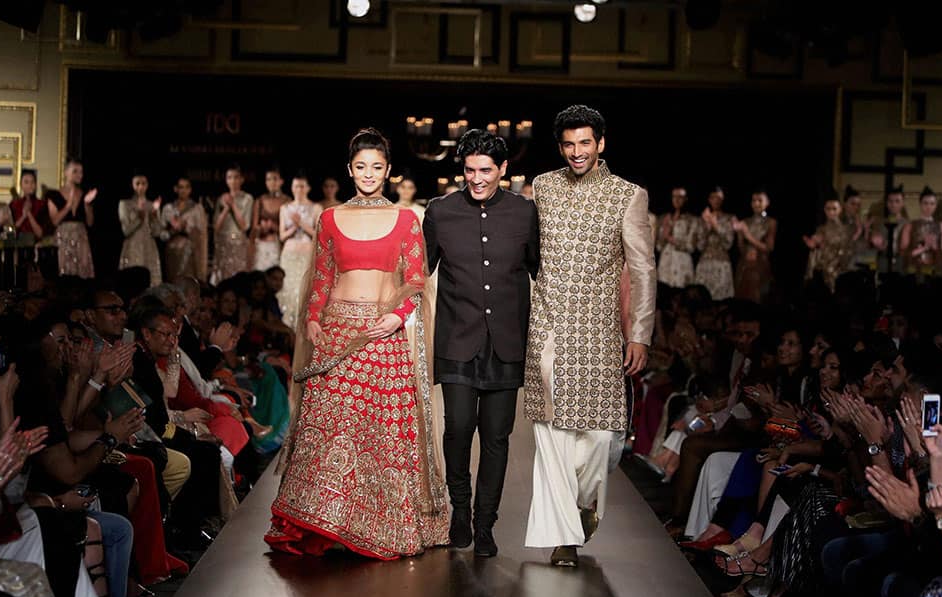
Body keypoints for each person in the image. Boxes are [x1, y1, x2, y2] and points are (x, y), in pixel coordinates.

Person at [267, 128, 449, 560]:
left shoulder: (407, 219)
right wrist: (312, 320)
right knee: (332, 427)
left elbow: (416, 279)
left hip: (385, 335)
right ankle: (327, 523)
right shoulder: (329, 218)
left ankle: (380, 523)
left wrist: (396, 316)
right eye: (361, 167)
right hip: (337, 331)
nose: (369, 174)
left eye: (377, 167)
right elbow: (323, 276)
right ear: (350, 170)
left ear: (387, 172)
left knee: (381, 434)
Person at [523, 105, 655, 567]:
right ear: (560, 147)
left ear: (601, 143)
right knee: (552, 435)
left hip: (599, 333)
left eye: (585, 143)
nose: (577, 152)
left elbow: (641, 268)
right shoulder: (543, 187)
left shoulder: (628, 195)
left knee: (600, 437)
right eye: (569, 144)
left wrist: (638, 333)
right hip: (548, 328)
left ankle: (581, 507)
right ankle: (565, 538)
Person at [423, 129, 539, 557]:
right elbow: (418, 272)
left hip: (507, 342)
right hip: (457, 339)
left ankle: (485, 524)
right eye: (469, 170)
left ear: (503, 170)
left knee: (496, 437)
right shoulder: (440, 211)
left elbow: (540, 272)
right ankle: (459, 509)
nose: (476, 179)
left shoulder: (525, 213)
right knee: (456, 429)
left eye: (485, 170)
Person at [277, 173, 323, 330]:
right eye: (296, 186)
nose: (299, 189)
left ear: (308, 188)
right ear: (291, 188)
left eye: (302, 186)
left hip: (306, 254)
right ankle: (286, 325)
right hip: (289, 253)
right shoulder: (285, 208)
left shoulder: (316, 207)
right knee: (288, 288)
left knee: (304, 290)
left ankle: (303, 327)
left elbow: (318, 234)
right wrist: (295, 226)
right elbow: (282, 235)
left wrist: (300, 223)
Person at [47, 158, 97, 278]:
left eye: (81, 172)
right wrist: (68, 206)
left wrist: (87, 204)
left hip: (81, 237)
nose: (79, 175)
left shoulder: (85, 194)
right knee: (64, 274)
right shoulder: (54, 195)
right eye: (75, 171)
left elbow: (90, 223)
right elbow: (54, 221)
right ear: (65, 172)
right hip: (63, 237)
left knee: (82, 277)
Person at [117, 172, 163, 287]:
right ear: (133, 185)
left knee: (151, 282)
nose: (141, 187)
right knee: (133, 281)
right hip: (132, 247)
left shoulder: (152, 205)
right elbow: (126, 231)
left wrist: (153, 217)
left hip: (149, 247)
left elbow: (157, 232)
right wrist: (139, 219)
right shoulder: (125, 204)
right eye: (137, 183)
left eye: (143, 183)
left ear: (147, 185)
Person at [160, 177, 208, 283]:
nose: (184, 190)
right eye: (181, 187)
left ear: (190, 190)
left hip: (189, 253)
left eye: (187, 187)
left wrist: (185, 228)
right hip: (171, 253)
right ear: (175, 189)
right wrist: (172, 231)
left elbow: (202, 236)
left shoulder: (197, 208)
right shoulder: (168, 209)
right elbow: (161, 235)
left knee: (187, 284)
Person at [804, 191, 854, 291]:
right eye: (828, 209)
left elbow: (847, 251)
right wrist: (815, 247)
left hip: (839, 272)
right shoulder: (821, 229)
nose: (831, 212)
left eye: (834, 209)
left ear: (840, 209)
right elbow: (816, 251)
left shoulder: (847, 230)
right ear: (824, 210)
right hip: (822, 272)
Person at [733, 189, 776, 303]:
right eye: (754, 200)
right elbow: (741, 248)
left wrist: (747, 234)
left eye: (760, 200)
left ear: (767, 203)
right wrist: (739, 234)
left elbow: (769, 248)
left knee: (757, 298)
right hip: (744, 264)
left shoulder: (770, 222)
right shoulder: (745, 221)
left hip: (760, 264)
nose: (756, 203)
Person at [212, 164, 253, 283]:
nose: (233, 181)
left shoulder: (247, 198)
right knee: (222, 276)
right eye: (229, 177)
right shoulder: (222, 198)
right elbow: (216, 226)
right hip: (223, 242)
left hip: (238, 242)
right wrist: (225, 208)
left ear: (241, 179)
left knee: (238, 276)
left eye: (236, 177)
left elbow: (244, 226)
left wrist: (233, 205)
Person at [694, 186, 735, 300]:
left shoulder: (729, 218)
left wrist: (715, 225)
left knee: (721, 299)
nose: (716, 200)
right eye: (713, 197)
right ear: (709, 199)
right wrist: (707, 227)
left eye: (718, 197)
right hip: (705, 263)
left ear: (723, 199)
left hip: (722, 264)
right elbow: (699, 245)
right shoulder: (702, 219)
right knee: (702, 299)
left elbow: (728, 243)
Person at [900, 185, 942, 271]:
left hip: (936, 270)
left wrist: (933, 246)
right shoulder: (910, 226)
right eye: (925, 203)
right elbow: (903, 252)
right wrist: (923, 248)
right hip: (913, 269)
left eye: (932, 203)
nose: (928, 207)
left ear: (936, 205)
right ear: (920, 204)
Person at [250, 168, 291, 271]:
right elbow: (254, 228)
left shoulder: (287, 201)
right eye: (268, 179)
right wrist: (262, 227)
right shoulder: (260, 200)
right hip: (262, 245)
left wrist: (274, 227)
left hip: (279, 246)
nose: (271, 182)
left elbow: (290, 229)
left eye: (275, 179)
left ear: (281, 181)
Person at [656, 186, 697, 288]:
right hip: (666, 263)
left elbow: (691, 246)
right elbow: (659, 247)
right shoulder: (664, 218)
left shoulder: (691, 220)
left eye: (680, 197)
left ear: (686, 199)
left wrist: (670, 238)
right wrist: (664, 235)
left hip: (682, 263)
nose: (677, 200)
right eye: (674, 197)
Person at [8, 169, 46, 240]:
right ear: (21, 185)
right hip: (17, 244)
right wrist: (23, 216)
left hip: (35, 245)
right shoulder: (14, 204)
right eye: (26, 182)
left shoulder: (42, 205)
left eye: (32, 182)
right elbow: (9, 231)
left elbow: (41, 234)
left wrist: (29, 214)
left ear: (35, 185)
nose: (30, 185)